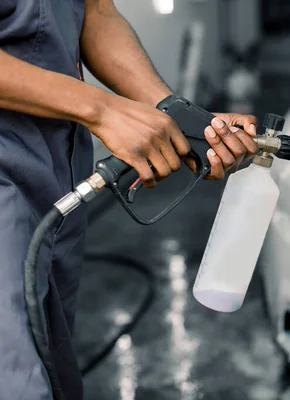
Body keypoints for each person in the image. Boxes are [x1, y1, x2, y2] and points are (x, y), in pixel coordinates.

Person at [0, 0, 259, 398]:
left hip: (55, 175)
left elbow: (96, 12)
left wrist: (176, 115)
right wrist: (102, 109)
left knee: (52, 363)